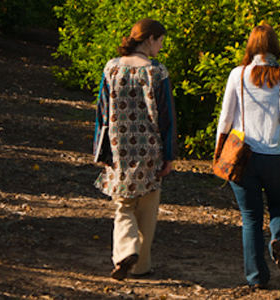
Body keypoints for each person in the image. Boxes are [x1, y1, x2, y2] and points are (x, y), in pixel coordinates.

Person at [215, 24, 280, 288]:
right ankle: (279, 240)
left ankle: (256, 278)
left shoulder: (237, 75)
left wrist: (218, 151)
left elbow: (225, 118)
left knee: (250, 219)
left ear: (251, 46)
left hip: (244, 157)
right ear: (275, 46)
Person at [92, 18, 176, 281]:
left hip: (119, 149)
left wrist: (100, 148)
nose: (161, 47)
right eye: (160, 41)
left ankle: (125, 253)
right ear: (149, 39)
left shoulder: (112, 68)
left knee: (123, 205)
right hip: (151, 150)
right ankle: (140, 265)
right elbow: (167, 117)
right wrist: (170, 154)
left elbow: (102, 112)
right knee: (148, 208)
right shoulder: (157, 72)